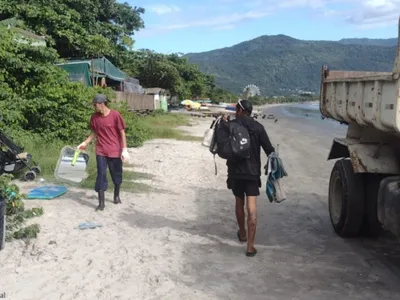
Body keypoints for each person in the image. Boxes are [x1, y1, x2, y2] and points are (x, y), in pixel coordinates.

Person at [226, 99, 275, 257]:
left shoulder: (232, 125)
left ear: (240, 110)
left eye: (236, 108)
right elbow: (270, 150)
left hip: (235, 171)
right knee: (252, 209)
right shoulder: (259, 128)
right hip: (252, 173)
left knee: (239, 204)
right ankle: (250, 247)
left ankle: (242, 233)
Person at [78, 94, 130, 211]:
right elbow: (94, 132)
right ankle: (101, 203)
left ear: (101, 104)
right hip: (101, 150)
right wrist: (85, 143)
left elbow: (122, 133)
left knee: (116, 174)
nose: (94, 107)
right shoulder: (94, 117)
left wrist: (124, 149)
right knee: (101, 174)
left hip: (115, 151)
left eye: (95, 105)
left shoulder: (115, 115)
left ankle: (116, 196)